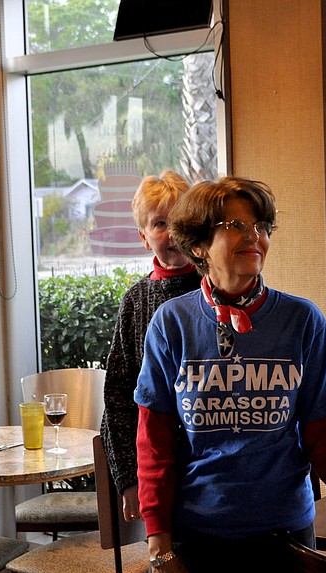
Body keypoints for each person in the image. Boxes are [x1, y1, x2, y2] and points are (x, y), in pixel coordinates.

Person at [134, 176, 326, 573]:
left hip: (285, 533)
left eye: (260, 227)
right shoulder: (172, 324)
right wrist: (159, 546)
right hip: (196, 535)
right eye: (235, 226)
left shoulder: (302, 321)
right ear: (200, 245)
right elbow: (155, 446)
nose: (253, 237)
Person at [101, 169, 200, 523]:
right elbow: (117, 395)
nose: (172, 233)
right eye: (160, 224)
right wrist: (129, 480)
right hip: (157, 464)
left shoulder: (220, 287)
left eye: (179, 222)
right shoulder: (136, 301)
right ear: (144, 237)